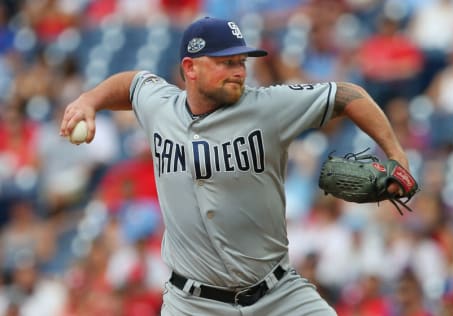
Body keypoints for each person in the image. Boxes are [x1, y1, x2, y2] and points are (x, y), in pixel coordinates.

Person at [60, 16, 411, 316]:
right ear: (190, 68)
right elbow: (133, 83)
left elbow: (348, 95)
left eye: (241, 62)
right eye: (226, 63)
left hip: (277, 295)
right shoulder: (160, 107)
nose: (239, 72)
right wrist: (89, 100)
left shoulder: (269, 107)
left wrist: (397, 153)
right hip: (192, 304)